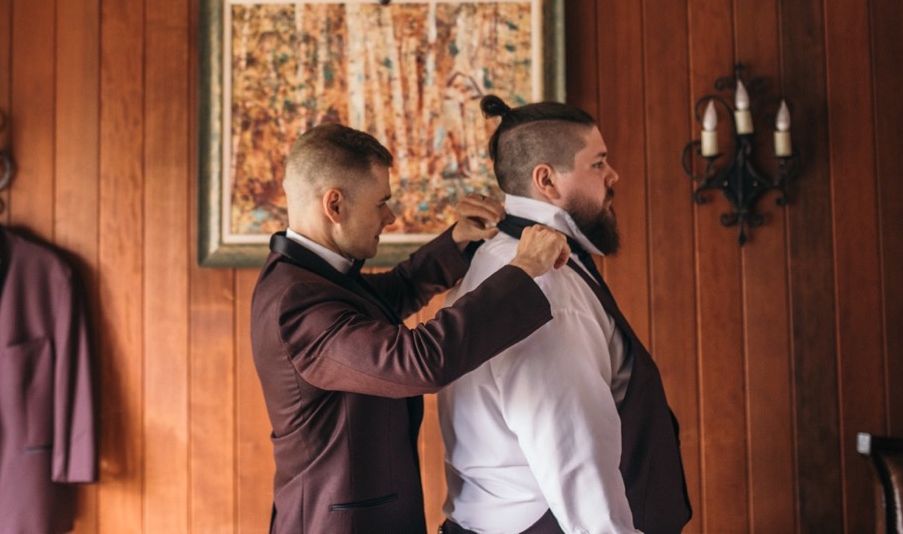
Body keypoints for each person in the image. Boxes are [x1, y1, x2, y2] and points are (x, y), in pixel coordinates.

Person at [251, 122, 571, 534]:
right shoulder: (296, 302)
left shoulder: (312, 276)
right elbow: (420, 361)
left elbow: (392, 293)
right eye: (382, 202)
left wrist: (457, 240)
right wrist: (523, 269)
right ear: (335, 205)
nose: (390, 216)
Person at [437, 96, 691, 534]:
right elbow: (572, 448)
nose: (613, 176)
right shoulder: (541, 284)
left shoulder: (505, 256)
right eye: (598, 163)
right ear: (546, 180)